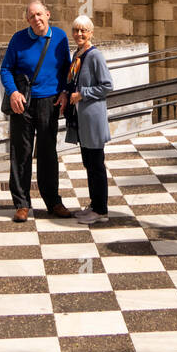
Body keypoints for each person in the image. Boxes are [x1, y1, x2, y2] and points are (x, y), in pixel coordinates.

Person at [0, 0, 72, 221]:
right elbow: (6, 69)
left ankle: (53, 202)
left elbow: (67, 69)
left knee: (48, 154)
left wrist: (65, 92)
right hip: (23, 102)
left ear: (48, 14)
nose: (36, 19)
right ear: (27, 20)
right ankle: (22, 203)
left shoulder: (59, 37)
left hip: (48, 102)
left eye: (39, 14)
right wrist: (12, 92)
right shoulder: (18, 39)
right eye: (32, 16)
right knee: (20, 153)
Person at [60, 15, 114, 225]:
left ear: (91, 33)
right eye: (76, 30)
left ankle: (101, 210)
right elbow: (71, 80)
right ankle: (94, 204)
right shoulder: (78, 54)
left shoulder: (95, 56)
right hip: (81, 118)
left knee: (96, 164)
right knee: (89, 163)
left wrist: (83, 94)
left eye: (84, 30)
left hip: (92, 117)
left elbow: (107, 85)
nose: (79, 34)